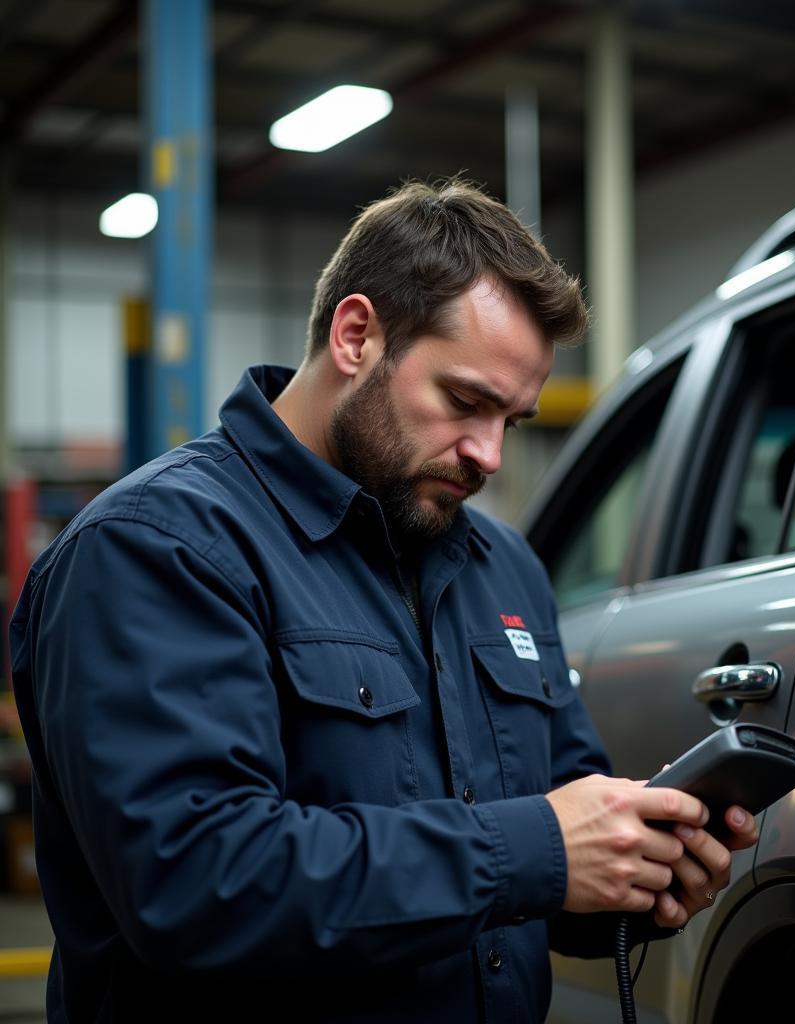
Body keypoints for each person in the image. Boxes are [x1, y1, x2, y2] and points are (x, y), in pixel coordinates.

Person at [11, 179, 757, 1023]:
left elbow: (540, 873)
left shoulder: (501, 566)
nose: (489, 456)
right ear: (357, 335)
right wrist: (538, 850)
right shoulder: (158, 547)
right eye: (466, 402)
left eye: (511, 420)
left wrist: (633, 873)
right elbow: (196, 887)